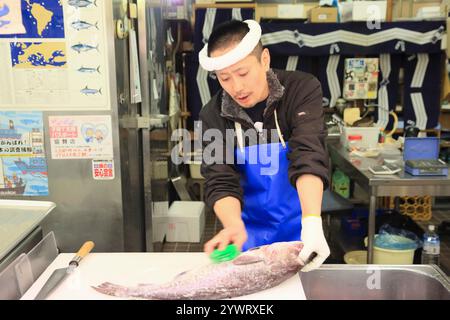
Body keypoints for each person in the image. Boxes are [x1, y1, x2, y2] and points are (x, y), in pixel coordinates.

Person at [198, 20, 330, 272]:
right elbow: (220, 178)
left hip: (302, 231)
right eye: (224, 78)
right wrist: (233, 225)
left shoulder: (300, 89)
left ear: (265, 59)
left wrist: (312, 223)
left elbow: (309, 154)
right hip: (248, 240)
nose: (236, 87)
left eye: (243, 73)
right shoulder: (212, 115)